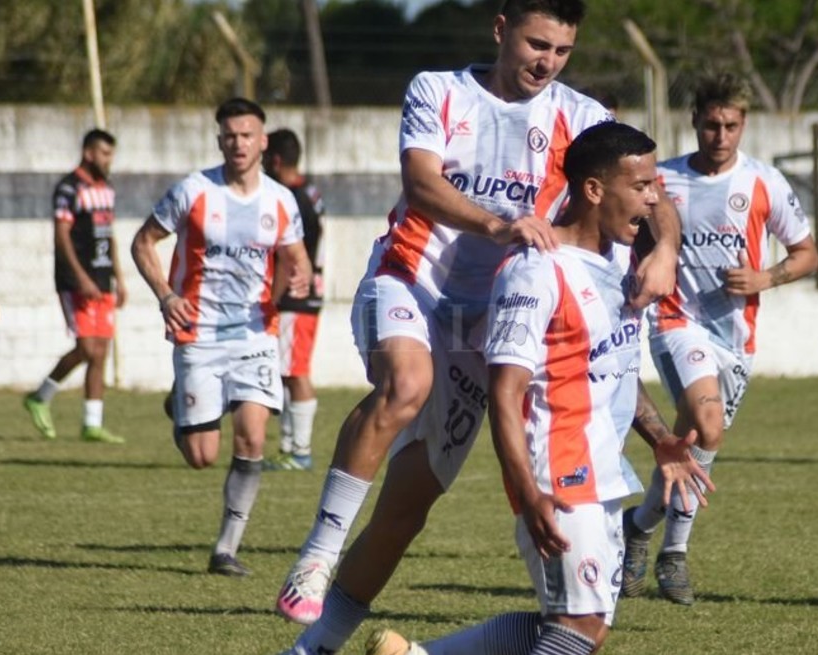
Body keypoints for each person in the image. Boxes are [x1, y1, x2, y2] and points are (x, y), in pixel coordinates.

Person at [275, 0, 682, 650]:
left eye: (562, 51)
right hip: (413, 280)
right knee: (407, 385)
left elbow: (647, 184)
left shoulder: (580, 115)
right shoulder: (439, 91)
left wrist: (665, 252)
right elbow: (420, 183)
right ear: (501, 29)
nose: (547, 63)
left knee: (406, 511)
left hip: (486, 321)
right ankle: (318, 554)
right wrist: (498, 224)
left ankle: (312, 648)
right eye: (537, 44)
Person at [364, 121, 710, 655]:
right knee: (578, 630)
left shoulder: (619, 259)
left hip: (603, 471)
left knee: (580, 629)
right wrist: (528, 493)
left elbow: (608, 364)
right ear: (593, 190)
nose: (653, 199)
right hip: (559, 474)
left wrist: (660, 439)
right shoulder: (535, 272)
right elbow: (505, 392)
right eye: (641, 186)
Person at [620, 72, 818, 605]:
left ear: (744, 125)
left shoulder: (764, 183)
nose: (721, 136)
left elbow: (807, 253)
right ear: (695, 122)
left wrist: (765, 278)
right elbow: (623, 235)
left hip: (735, 338)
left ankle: (638, 526)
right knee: (708, 426)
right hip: (675, 323)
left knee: (690, 443)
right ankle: (674, 555)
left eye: (731, 126)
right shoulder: (662, 182)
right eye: (712, 125)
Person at [130, 97, 311, 577]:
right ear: (219, 141)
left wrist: (298, 279)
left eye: (247, 135)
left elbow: (297, 258)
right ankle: (182, 408)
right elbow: (143, 242)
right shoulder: (193, 191)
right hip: (199, 335)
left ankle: (226, 550)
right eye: (230, 136)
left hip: (255, 335)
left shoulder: (280, 200)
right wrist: (166, 296)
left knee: (252, 438)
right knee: (201, 456)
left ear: (263, 141)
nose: (238, 143)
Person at [22, 129, 127, 444]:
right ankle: (40, 397)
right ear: (89, 153)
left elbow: (108, 235)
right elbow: (62, 234)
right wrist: (80, 276)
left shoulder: (106, 188)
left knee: (101, 351)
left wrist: (119, 277)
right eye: (104, 154)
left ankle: (92, 424)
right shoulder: (69, 188)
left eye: (111, 155)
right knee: (87, 348)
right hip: (75, 280)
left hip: (103, 279)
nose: (108, 161)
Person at [263, 128, 327, 472]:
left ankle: (300, 451)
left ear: (275, 160)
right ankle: (289, 447)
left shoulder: (292, 198)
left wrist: (270, 300)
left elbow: (290, 255)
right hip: (305, 294)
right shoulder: (309, 192)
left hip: (295, 297)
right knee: (287, 372)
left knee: (296, 372)